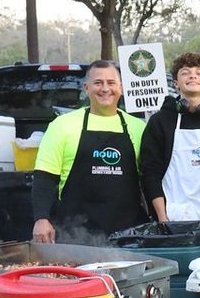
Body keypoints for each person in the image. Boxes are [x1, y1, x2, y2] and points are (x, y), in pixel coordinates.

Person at [30, 60, 149, 242]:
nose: (105, 89)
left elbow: (151, 179)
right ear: (86, 88)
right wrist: (41, 218)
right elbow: (45, 178)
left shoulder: (139, 128)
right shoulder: (63, 125)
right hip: (75, 234)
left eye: (111, 83)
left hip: (129, 235)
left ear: (121, 88)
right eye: (98, 83)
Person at [139, 50, 200, 223]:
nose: (193, 76)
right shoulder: (160, 121)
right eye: (185, 73)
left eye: (199, 73)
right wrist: (163, 219)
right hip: (171, 220)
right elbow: (150, 172)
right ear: (176, 83)